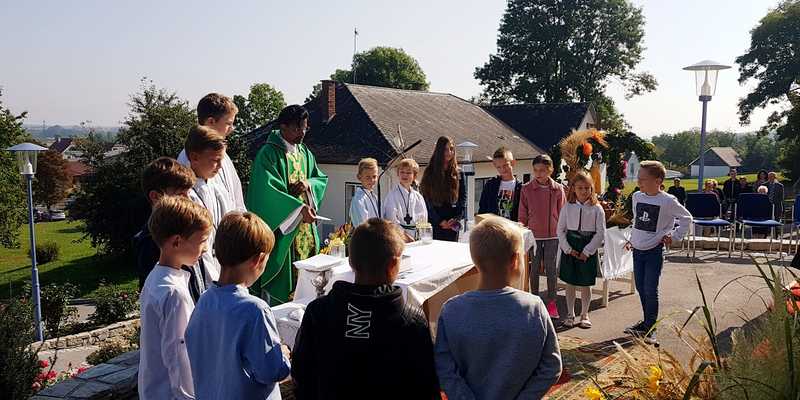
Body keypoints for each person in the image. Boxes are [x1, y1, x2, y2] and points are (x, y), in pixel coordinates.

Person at [291, 218, 440, 399]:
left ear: (351, 262)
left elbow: (301, 376)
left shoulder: (318, 312)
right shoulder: (411, 322)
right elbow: (426, 387)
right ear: (393, 265)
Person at [435, 217, 562, 399]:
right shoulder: (534, 308)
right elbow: (551, 366)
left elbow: (444, 368)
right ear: (515, 260)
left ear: (474, 258)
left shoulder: (451, 310)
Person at [185, 212, 290, 399]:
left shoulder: (205, 300)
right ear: (258, 260)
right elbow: (271, 371)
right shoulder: (255, 310)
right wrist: (282, 355)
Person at [247, 105, 328, 305]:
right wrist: (299, 209)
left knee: (309, 288)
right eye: (297, 128)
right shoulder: (268, 153)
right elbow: (265, 193)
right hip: (284, 233)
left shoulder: (305, 152)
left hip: (306, 231)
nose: (302, 133)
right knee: (284, 293)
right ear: (282, 127)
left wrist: (308, 184)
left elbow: (320, 178)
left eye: (305, 128)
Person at [138, 196, 212, 400]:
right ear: (177, 241)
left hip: (155, 389)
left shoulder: (155, 277)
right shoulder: (174, 293)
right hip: (172, 393)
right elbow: (179, 354)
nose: (206, 248)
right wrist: (191, 396)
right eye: (202, 241)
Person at [624, 161, 692, 344]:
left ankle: (651, 328)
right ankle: (646, 323)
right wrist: (633, 239)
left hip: (654, 251)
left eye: (643, 179)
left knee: (650, 289)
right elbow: (637, 221)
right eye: (638, 178)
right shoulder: (637, 196)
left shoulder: (668, 201)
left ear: (658, 181)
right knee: (640, 287)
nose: (639, 182)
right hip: (638, 250)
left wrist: (674, 236)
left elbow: (686, 218)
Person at [134, 157, 208, 303]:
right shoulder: (150, 241)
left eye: (188, 193)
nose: (188, 200)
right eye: (181, 194)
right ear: (155, 196)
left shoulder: (188, 231)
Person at [178, 93, 246, 211]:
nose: (232, 129)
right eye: (228, 123)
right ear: (210, 122)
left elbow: (236, 199)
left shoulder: (225, 157)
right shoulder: (187, 160)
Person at [519, 154, 566, 319]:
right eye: (536, 170)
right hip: (533, 236)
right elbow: (522, 213)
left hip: (553, 236)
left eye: (542, 170)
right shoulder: (526, 189)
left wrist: (562, 232)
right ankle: (534, 301)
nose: (538, 174)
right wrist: (522, 228)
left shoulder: (558, 189)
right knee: (534, 269)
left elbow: (563, 213)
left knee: (551, 268)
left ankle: (552, 303)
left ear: (550, 170)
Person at [557, 171, 606, 329]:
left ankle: (585, 314)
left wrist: (588, 251)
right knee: (570, 283)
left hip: (588, 247)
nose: (584, 191)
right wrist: (567, 249)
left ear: (592, 188)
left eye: (587, 188)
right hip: (571, 247)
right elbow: (560, 230)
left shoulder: (597, 209)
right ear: (573, 188)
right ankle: (570, 314)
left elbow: (601, 233)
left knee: (586, 283)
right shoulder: (567, 207)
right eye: (580, 188)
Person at [184, 125, 230, 284]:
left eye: (221, 160)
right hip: (202, 267)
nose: (220, 166)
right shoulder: (186, 195)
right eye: (215, 161)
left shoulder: (216, 187)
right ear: (194, 157)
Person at [420, 136, 466, 242]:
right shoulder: (430, 172)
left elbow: (463, 198)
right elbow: (426, 199)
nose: (449, 152)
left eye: (451, 149)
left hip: (452, 224)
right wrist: (439, 221)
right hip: (435, 223)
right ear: (439, 150)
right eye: (445, 149)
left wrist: (457, 218)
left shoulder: (458, 172)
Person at [382, 158, 428, 242]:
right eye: (402, 172)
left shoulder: (418, 197)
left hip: (417, 237)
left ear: (414, 176)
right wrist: (405, 237)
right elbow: (391, 220)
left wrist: (421, 236)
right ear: (398, 174)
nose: (405, 175)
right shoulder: (392, 196)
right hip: (399, 238)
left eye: (408, 173)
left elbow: (423, 219)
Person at [477, 147, 522, 221]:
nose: (502, 169)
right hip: (493, 226)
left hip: (513, 227)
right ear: (495, 166)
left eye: (505, 165)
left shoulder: (521, 187)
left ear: (513, 163)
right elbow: (482, 209)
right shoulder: (490, 185)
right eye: (499, 167)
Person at [349, 158, 380, 227]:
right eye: (368, 177)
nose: (371, 180)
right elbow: (362, 226)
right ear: (359, 177)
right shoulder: (358, 200)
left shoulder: (374, 197)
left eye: (374, 176)